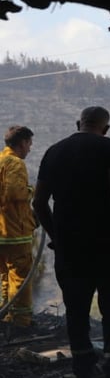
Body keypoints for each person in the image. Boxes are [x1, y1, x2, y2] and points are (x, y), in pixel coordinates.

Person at [32, 107, 110, 378]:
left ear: (78, 124)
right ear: (105, 128)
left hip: (70, 248)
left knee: (77, 309)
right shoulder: (109, 147)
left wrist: (56, 235)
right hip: (109, 245)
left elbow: (38, 203)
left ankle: (84, 371)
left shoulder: (53, 152)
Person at [1, 126, 37, 329]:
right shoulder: (15, 163)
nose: (29, 149)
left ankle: (6, 314)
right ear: (22, 142)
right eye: (29, 144)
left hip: (1, 233)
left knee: (6, 275)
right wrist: (31, 190)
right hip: (15, 232)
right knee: (21, 275)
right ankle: (21, 321)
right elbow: (16, 192)